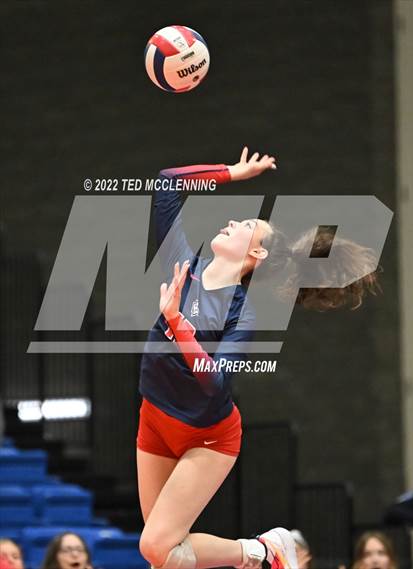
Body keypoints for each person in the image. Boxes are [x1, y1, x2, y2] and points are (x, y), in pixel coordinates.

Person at [137, 148, 379, 569]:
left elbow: (214, 382)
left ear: (257, 255)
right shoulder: (183, 265)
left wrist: (177, 322)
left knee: (155, 547)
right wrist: (232, 173)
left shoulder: (240, 314)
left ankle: (264, 550)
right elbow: (167, 182)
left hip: (207, 436)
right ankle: (260, 554)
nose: (233, 222)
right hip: (154, 416)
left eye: (247, 225)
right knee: (165, 557)